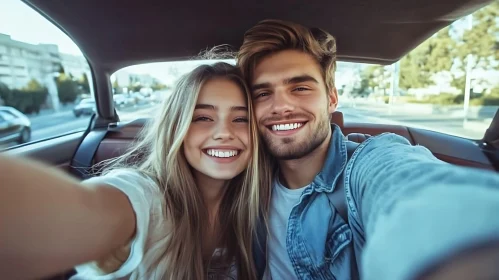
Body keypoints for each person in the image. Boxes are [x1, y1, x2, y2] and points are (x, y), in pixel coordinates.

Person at [237, 19, 499, 280]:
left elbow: (411, 186)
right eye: (263, 94)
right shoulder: (245, 181)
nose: (281, 106)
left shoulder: (368, 163)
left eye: (300, 88)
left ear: (331, 99)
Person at [0, 62, 272, 280]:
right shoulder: (147, 196)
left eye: (241, 119)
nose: (224, 132)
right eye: (202, 118)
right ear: (175, 128)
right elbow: (77, 212)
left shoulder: (258, 206)